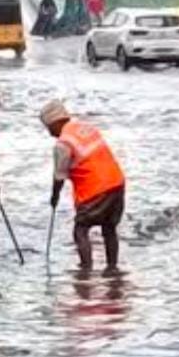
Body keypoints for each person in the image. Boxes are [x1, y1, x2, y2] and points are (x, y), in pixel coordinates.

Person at [42, 100, 126, 272]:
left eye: (49, 128)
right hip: (117, 182)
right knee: (109, 229)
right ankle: (112, 267)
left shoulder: (63, 143)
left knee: (80, 229)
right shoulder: (86, 128)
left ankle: (86, 269)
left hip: (95, 189)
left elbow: (59, 176)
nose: (50, 133)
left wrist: (54, 197)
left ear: (56, 122)